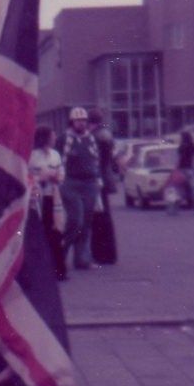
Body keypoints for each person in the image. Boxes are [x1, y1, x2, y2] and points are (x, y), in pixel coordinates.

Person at [58, 107, 100, 271]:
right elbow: (59, 159)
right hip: (71, 183)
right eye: (78, 120)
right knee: (76, 220)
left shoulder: (91, 139)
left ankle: (81, 258)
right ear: (72, 122)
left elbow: (96, 159)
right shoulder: (65, 139)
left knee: (86, 223)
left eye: (83, 120)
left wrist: (98, 179)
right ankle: (60, 253)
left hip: (90, 183)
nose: (81, 123)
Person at [29, 125, 66, 280]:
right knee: (39, 233)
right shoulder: (32, 156)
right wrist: (41, 178)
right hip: (37, 199)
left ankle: (59, 270)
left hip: (53, 197)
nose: (55, 138)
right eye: (52, 135)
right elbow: (28, 176)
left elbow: (61, 173)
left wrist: (57, 177)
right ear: (45, 138)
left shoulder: (55, 155)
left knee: (56, 232)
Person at [87, 108, 118, 264]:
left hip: (98, 179)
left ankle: (100, 253)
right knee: (104, 216)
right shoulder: (106, 134)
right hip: (106, 178)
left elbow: (96, 161)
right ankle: (109, 254)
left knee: (98, 217)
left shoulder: (95, 137)